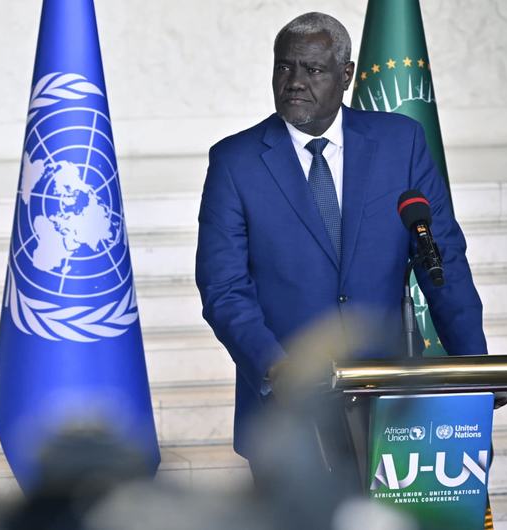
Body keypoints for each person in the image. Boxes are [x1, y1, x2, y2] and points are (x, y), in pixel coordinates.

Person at [194, 13, 487, 465]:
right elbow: (223, 289)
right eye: (284, 67)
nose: (294, 81)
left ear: (346, 75)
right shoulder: (235, 162)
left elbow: (442, 257)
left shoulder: (400, 143)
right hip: (287, 413)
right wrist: (275, 367)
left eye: (312, 70)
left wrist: (473, 366)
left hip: (394, 407)